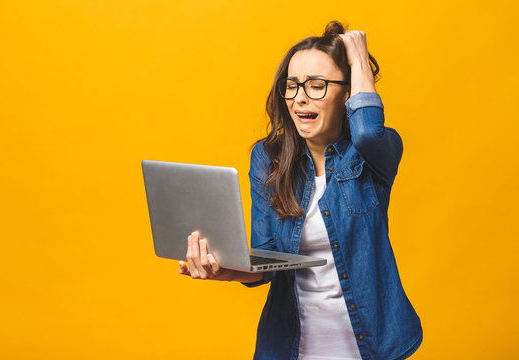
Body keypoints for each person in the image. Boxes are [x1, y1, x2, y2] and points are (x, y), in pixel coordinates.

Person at [178, 20, 423, 360]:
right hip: (289, 347)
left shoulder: (374, 153)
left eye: (317, 85)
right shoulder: (266, 158)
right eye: (292, 86)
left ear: (348, 93)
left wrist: (359, 60)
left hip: (369, 348)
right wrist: (224, 270)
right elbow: (265, 259)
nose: (299, 98)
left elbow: (366, 132)